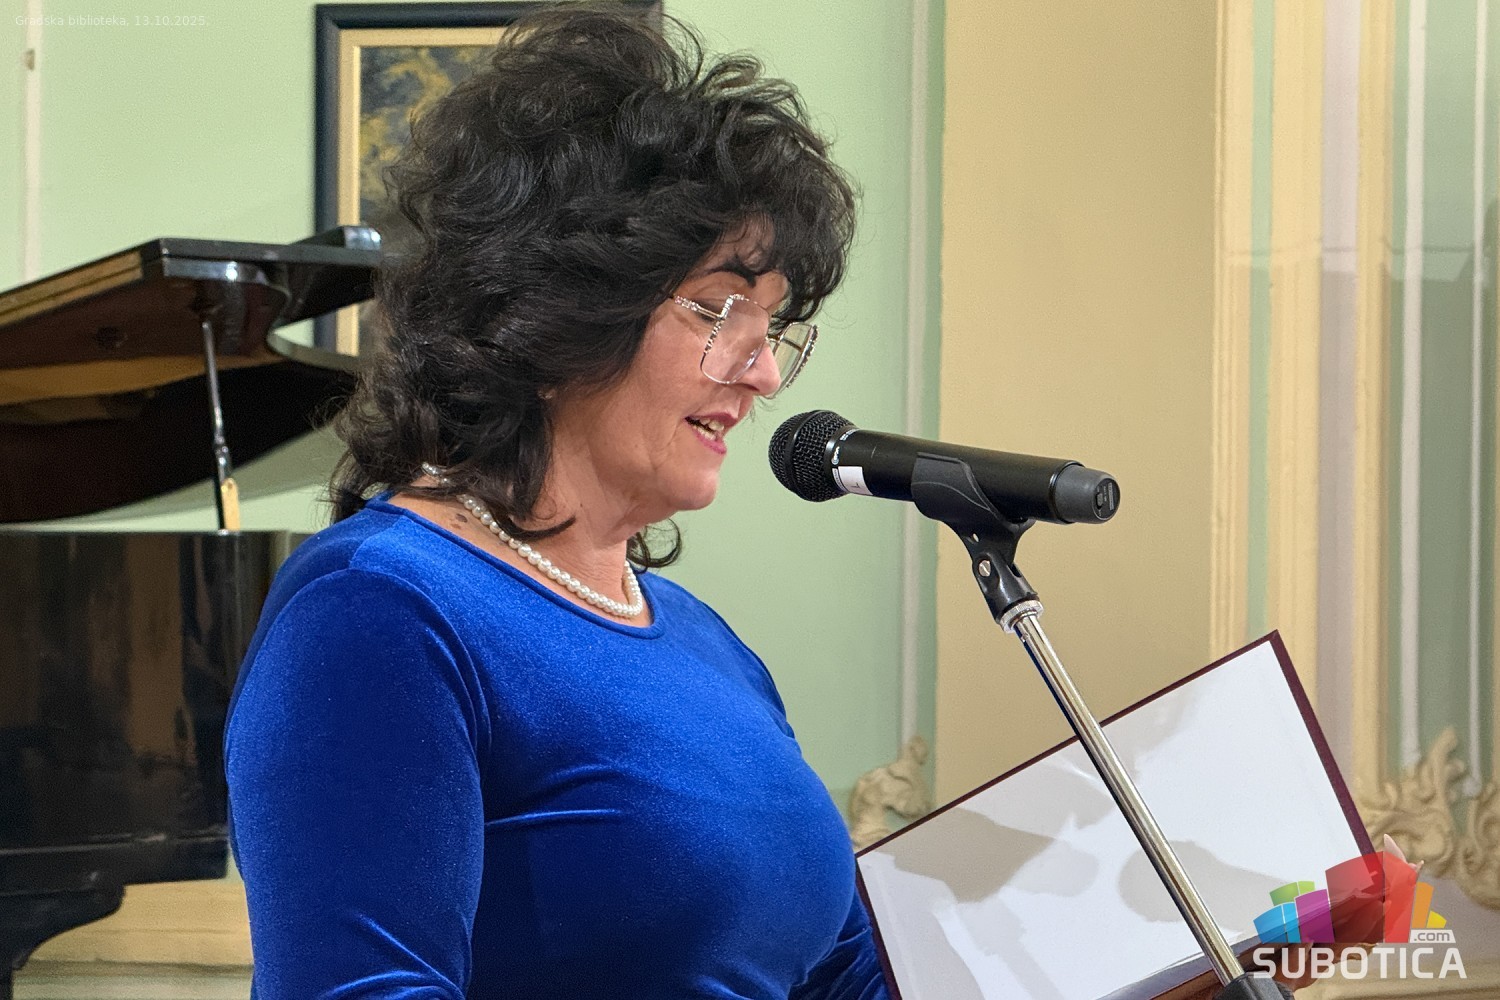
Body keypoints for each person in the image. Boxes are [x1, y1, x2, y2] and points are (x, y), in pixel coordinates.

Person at [224, 4, 878, 998]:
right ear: (556, 310)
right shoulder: (379, 610)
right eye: (718, 311)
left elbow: (841, 973)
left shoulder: (710, 646)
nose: (762, 373)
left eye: (773, 326)